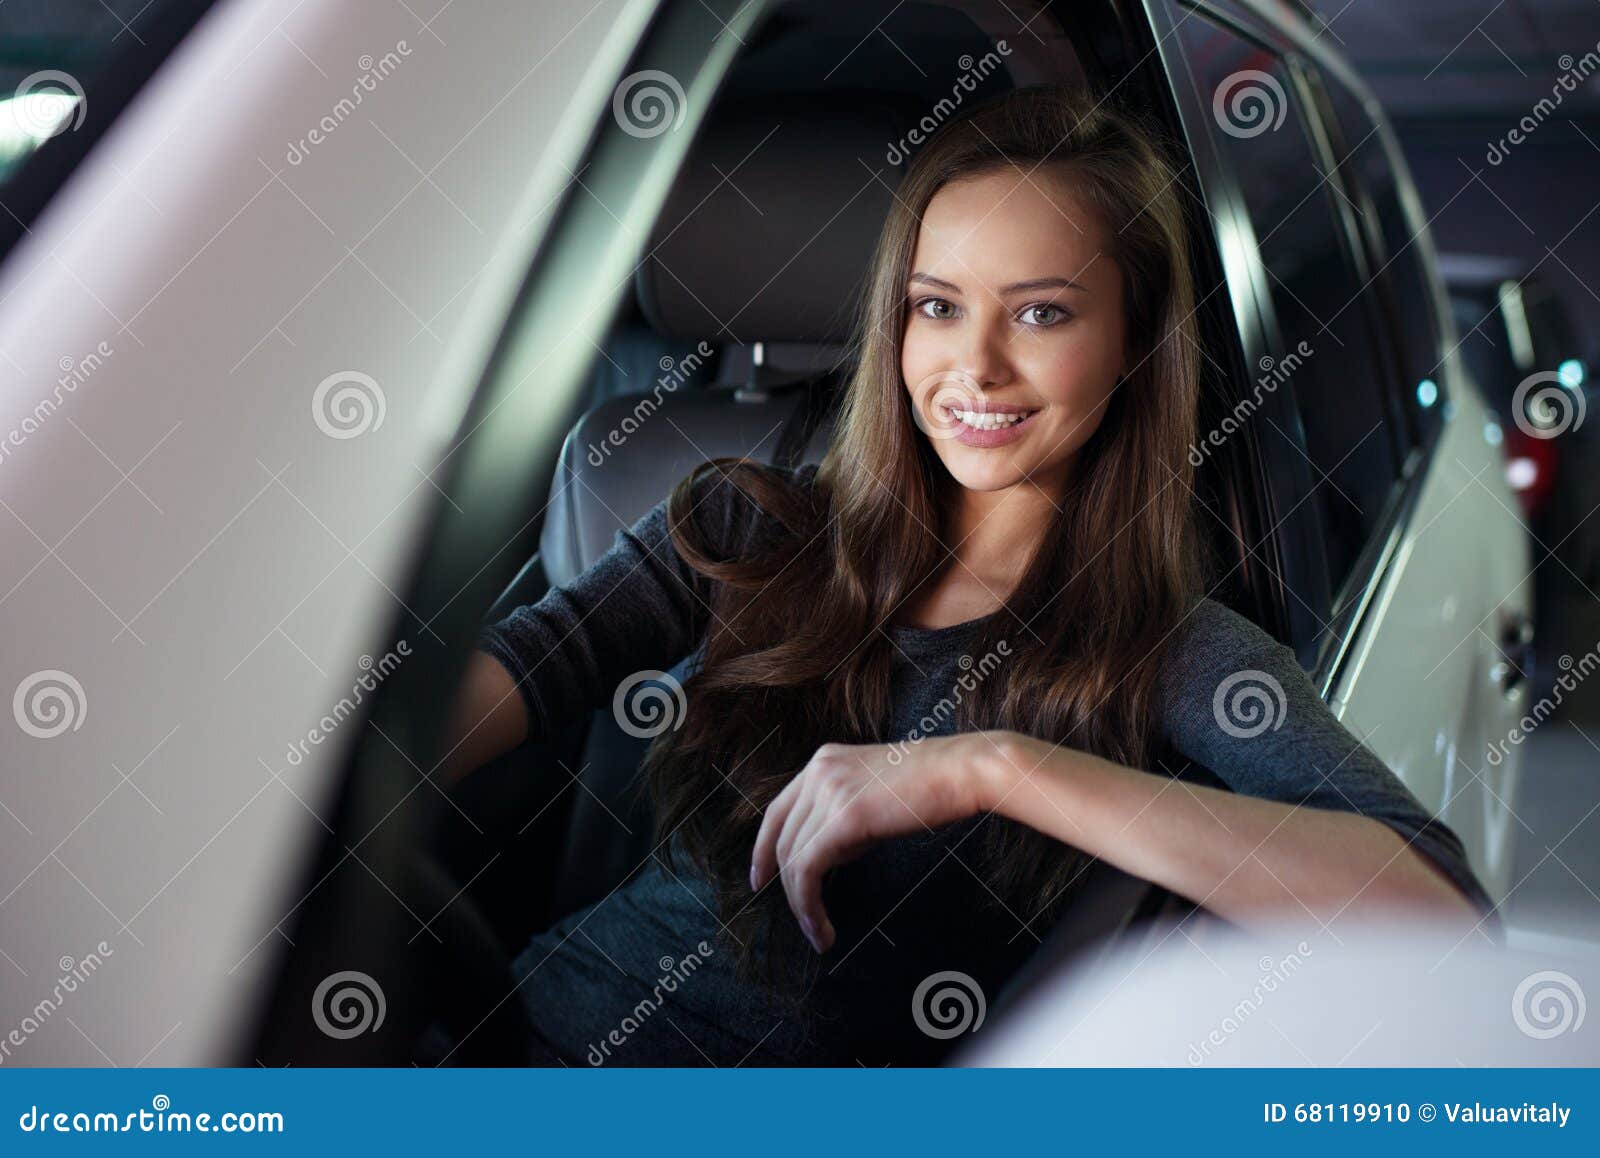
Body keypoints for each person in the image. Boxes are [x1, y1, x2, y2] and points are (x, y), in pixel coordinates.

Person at [438, 85, 1500, 1066]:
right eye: (937, 306)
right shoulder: (754, 523)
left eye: (1042, 312)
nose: (975, 366)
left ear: (1132, 342)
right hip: (514, 1036)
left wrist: (990, 767)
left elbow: (1439, 914)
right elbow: (519, 671)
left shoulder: (1168, 650)